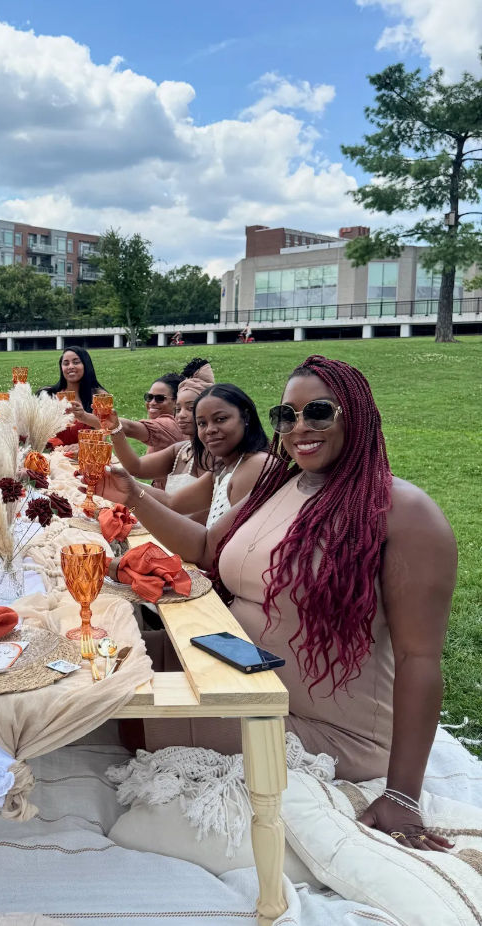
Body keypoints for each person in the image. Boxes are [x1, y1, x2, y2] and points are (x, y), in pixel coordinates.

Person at [93, 356, 457, 850]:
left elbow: (420, 658)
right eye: (287, 416)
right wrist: (133, 495)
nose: (300, 427)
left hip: (319, 721)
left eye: (318, 412)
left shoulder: (404, 513)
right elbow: (203, 547)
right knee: (108, 662)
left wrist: (404, 796)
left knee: (127, 720)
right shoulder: (282, 485)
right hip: (233, 665)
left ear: (356, 413)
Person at [121, 383, 269, 525]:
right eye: (202, 423)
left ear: (246, 417)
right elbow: (171, 502)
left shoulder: (255, 466)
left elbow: (210, 542)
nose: (210, 429)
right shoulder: (223, 467)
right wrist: (125, 485)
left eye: (220, 419)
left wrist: (132, 496)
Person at [77, 373, 185, 489]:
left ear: (176, 402)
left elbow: (129, 428)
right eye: (149, 397)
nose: (152, 402)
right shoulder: (173, 425)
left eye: (160, 399)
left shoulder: (170, 425)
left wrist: (85, 416)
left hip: (170, 502)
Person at [106, 377, 207, 493]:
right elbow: (136, 467)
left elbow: (173, 504)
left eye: (190, 408)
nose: (182, 415)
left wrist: (105, 422)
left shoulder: (170, 426)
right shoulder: (182, 449)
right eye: (178, 409)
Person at [38, 345, 107, 445]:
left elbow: (104, 430)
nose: (70, 366)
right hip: (53, 457)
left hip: (86, 456)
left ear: (85, 365)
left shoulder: (99, 396)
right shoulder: (48, 395)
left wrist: (81, 447)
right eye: (66, 363)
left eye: (76, 362)